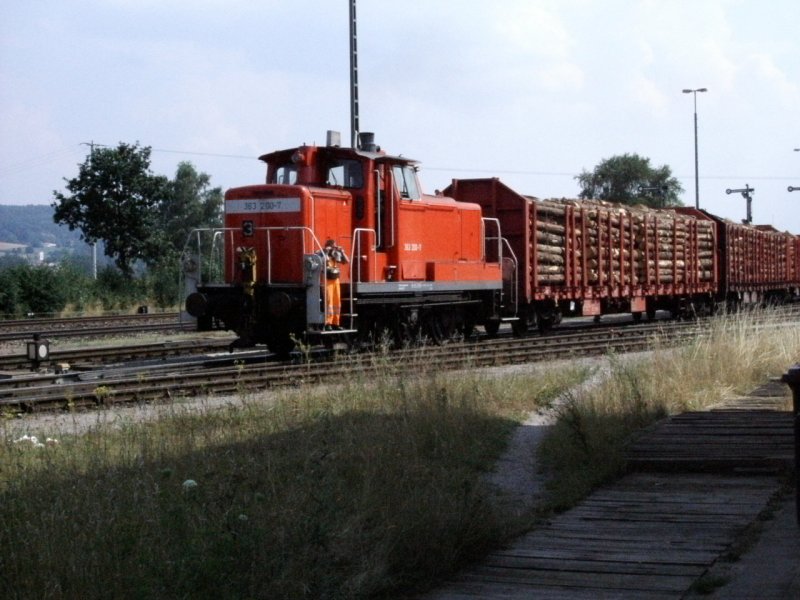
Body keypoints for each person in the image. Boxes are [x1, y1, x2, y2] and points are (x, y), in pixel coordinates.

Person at [322, 239, 349, 329]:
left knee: (337, 301)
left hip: (336, 280)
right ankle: (328, 323)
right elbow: (324, 261)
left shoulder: (335, 254)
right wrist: (326, 252)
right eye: (332, 246)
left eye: (334, 246)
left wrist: (342, 251)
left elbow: (346, 261)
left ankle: (336, 322)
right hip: (327, 280)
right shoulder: (321, 253)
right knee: (329, 301)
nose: (333, 248)